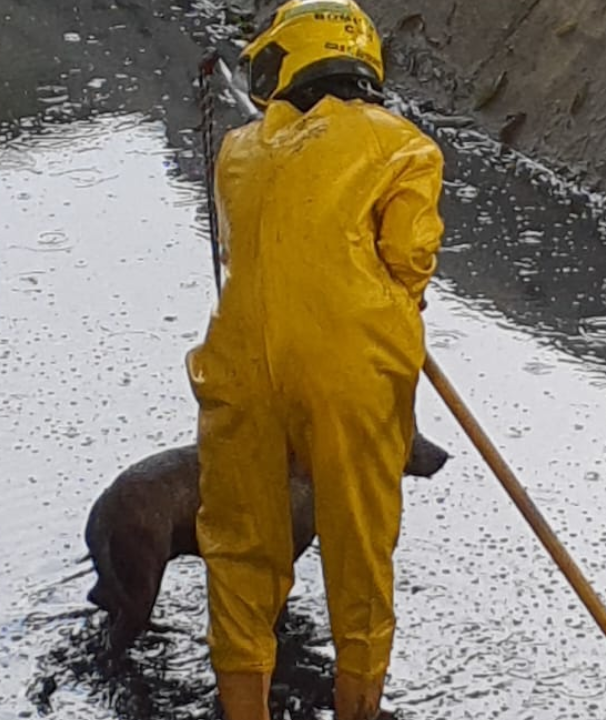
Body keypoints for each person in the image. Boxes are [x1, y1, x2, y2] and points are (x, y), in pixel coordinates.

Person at [183, 1, 446, 718]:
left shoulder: (237, 150)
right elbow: (409, 256)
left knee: (240, 550)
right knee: (358, 551)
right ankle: (357, 709)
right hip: (350, 370)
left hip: (238, 368)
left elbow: (251, 248)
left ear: (292, 60)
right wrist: (405, 305)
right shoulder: (406, 147)